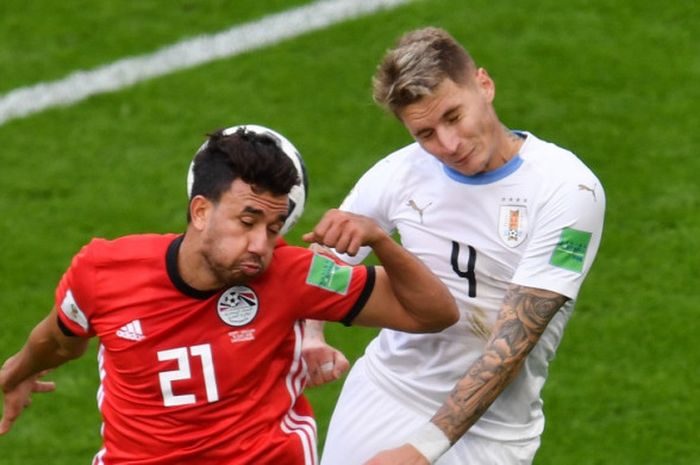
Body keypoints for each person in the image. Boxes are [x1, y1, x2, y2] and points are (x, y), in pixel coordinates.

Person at [0, 125, 458, 465]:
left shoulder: (296, 274)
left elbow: (431, 312)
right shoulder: (104, 271)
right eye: (247, 221)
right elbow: (60, 339)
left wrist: (379, 240)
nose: (262, 243)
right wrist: (17, 372)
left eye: (274, 228)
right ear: (201, 211)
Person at [302, 27, 606, 465]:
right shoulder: (399, 173)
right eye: (424, 134)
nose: (448, 145)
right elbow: (327, 260)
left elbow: (512, 342)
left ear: (484, 85)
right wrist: (311, 333)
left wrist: (420, 451)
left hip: (492, 433)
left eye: (453, 117)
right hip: (385, 392)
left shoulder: (569, 189)